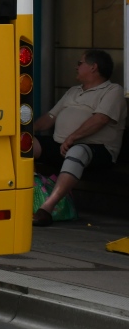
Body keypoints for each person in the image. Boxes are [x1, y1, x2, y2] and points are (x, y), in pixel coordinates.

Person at [32, 49, 127, 226]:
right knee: (24, 145)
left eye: (80, 63)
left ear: (93, 67)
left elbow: (100, 119)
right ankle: (24, 198)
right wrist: (27, 130)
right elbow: (50, 117)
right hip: (63, 144)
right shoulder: (73, 91)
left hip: (97, 149)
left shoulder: (113, 90)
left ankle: (46, 209)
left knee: (77, 151)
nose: (76, 67)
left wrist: (72, 138)